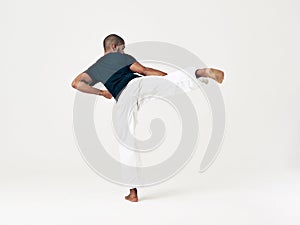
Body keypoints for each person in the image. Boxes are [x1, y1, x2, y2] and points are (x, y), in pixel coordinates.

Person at [71, 34, 224, 202]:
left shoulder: (95, 69)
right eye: (122, 48)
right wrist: (169, 80)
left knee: (126, 143)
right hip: (138, 84)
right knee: (169, 84)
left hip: (123, 98)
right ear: (114, 47)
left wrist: (101, 93)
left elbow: (77, 83)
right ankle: (199, 73)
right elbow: (145, 71)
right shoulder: (124, 59)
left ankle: (133, 193)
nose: (123, 52)